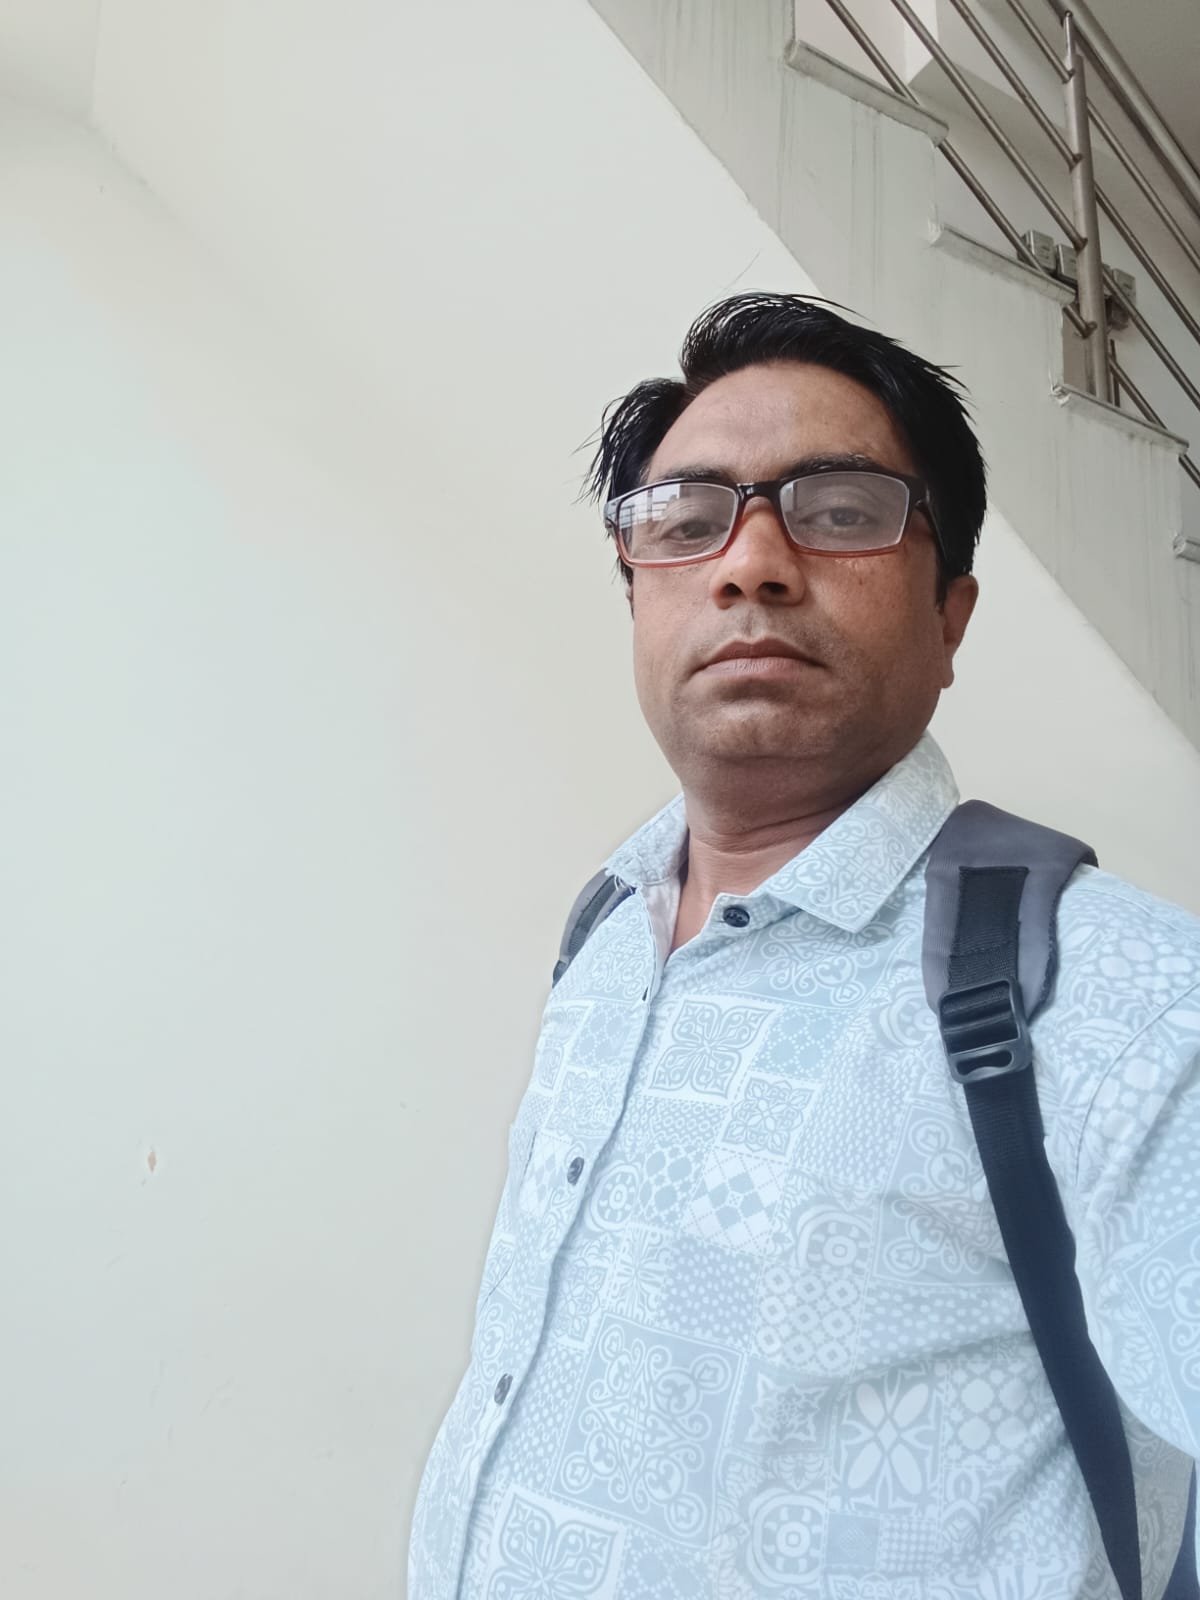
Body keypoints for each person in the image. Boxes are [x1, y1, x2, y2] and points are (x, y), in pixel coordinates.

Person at [408, 293, 1199, 1599]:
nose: (751, 565)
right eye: (686, 521)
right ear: (637, 596)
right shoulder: (605, 929)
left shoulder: (1117, 1000)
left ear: (951, 616)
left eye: (839, 511)